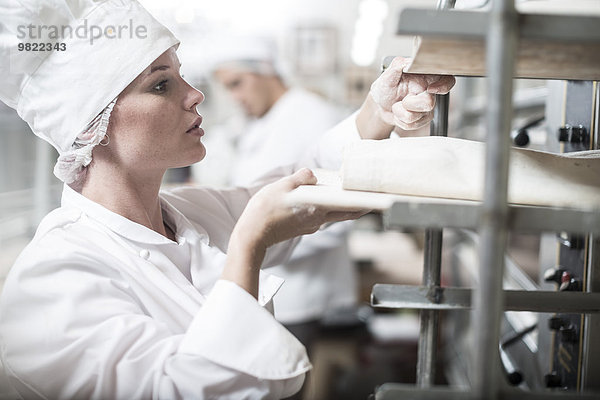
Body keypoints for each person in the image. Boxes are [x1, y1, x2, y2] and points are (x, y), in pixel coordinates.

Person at [0, 1, 455, 399]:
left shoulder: (186, 214)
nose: (196, 95)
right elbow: (186, 389)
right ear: (91, 130)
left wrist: (378, 109)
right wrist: (250, 242)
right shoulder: (52, 280)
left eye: (182, 77)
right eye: (162, 85)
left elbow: (301, 179)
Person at [209, 36, 357, 350]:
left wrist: (261, 240)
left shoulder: (312, 115)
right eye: (227, 88)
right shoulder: (262, 122)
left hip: (300, 293)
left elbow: (338, 211)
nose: (234, 96)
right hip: (267, 285)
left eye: (237, 83)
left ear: (266, 71)